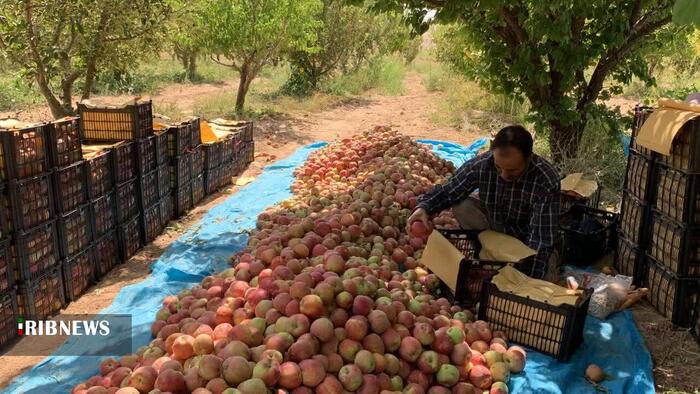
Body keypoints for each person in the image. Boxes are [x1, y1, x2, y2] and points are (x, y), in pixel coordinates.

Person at [407, 125, 561, 281]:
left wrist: (526, 280)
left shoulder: (545, 180)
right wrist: (424, 207)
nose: (503, 175)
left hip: (525, 240)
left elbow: (540, 239)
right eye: (498, 167)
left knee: (541, 279)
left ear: (529, 158)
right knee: (462, 205)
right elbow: (450, 190)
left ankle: (514, 265)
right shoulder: (483, 164)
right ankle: (487, 256)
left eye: (512, 170)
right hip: (496, 230)